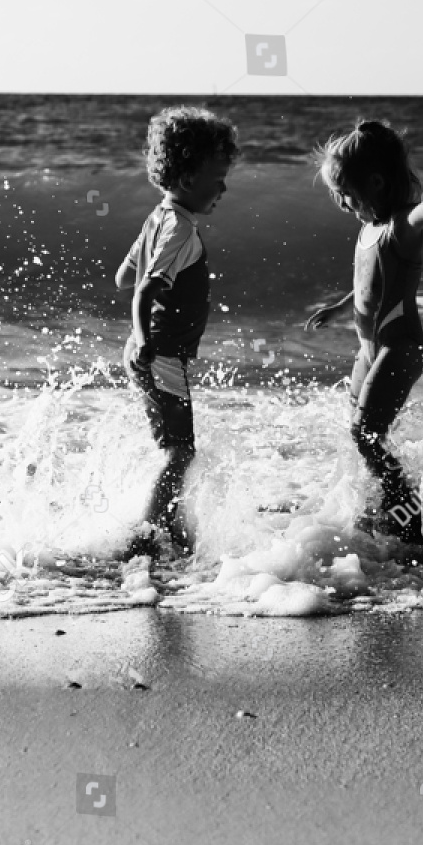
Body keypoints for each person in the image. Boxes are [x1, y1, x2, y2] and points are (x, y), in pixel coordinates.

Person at [305, 119, 423, 564]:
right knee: (361, 432)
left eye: (346, 193)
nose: (340, 202)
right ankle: (388, 509)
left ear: (375, 181)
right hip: (368, 349)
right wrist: (340, 308)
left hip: (400, 346)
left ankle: (410, 524)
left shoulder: (399, 226)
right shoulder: (366, 228)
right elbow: (368, 284)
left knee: (365, 435)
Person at [115, 106, 239, 558]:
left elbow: (124, 274)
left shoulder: (157, 219)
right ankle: (146, 536)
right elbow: (145, 286)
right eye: (218, 177)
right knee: (180, 453)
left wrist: (141, 335)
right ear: (189, 179)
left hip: (143, 352)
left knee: (173, 447)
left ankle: (172, 528)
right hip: (161, 354)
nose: (223, 187)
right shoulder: (181, 230)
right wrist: (148, 337)